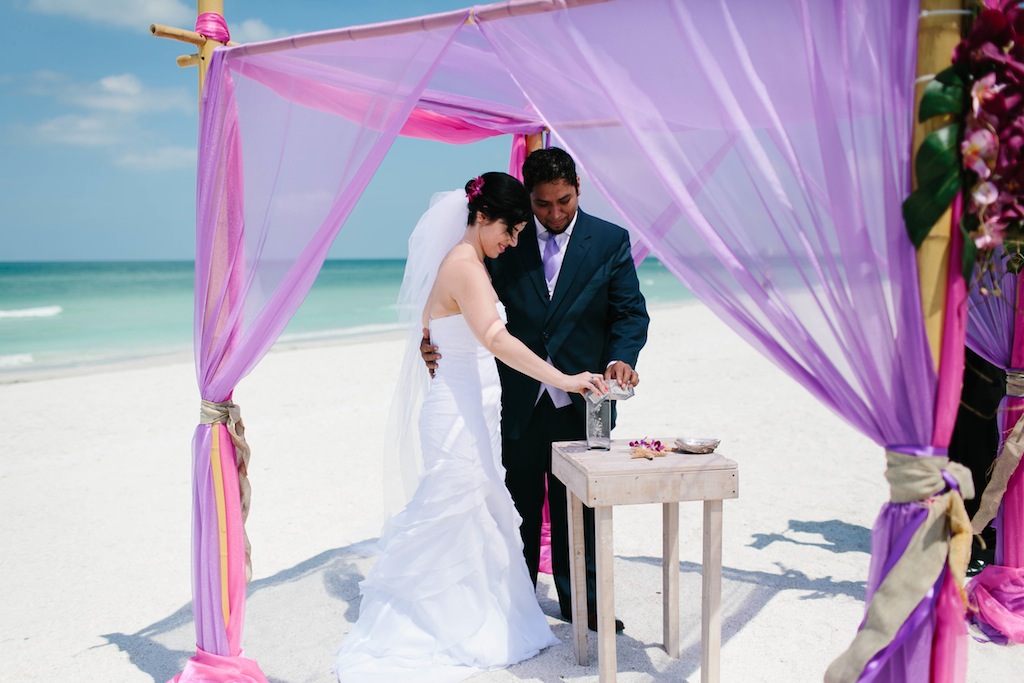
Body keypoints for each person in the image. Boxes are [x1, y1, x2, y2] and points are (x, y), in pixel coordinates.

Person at [334, 172, 607, 683]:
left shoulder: (470, 264)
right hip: (456, 415)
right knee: (448, 515)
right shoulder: (465, 267)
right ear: (482, 218)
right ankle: (433, 625)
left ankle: (468, 618)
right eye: (510, 229)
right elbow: (495, 339)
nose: (514, 241)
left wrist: (430, 340)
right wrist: (564, 378)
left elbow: (432, 325)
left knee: (474, 515)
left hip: (472, 410)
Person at [422, 148, 650, 632]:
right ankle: (519, 607)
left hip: (584, 400)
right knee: (516, 504)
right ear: (529, 198)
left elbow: (630, 313)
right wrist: (431, 337)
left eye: (563, 201)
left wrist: (620, 360)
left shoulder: (609, 241)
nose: (554, 213)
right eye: (543, 204)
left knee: (581, 507)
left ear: (578, 189)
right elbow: (463, 304)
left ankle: (582, 607)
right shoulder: (506, 239)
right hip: (514, 399)